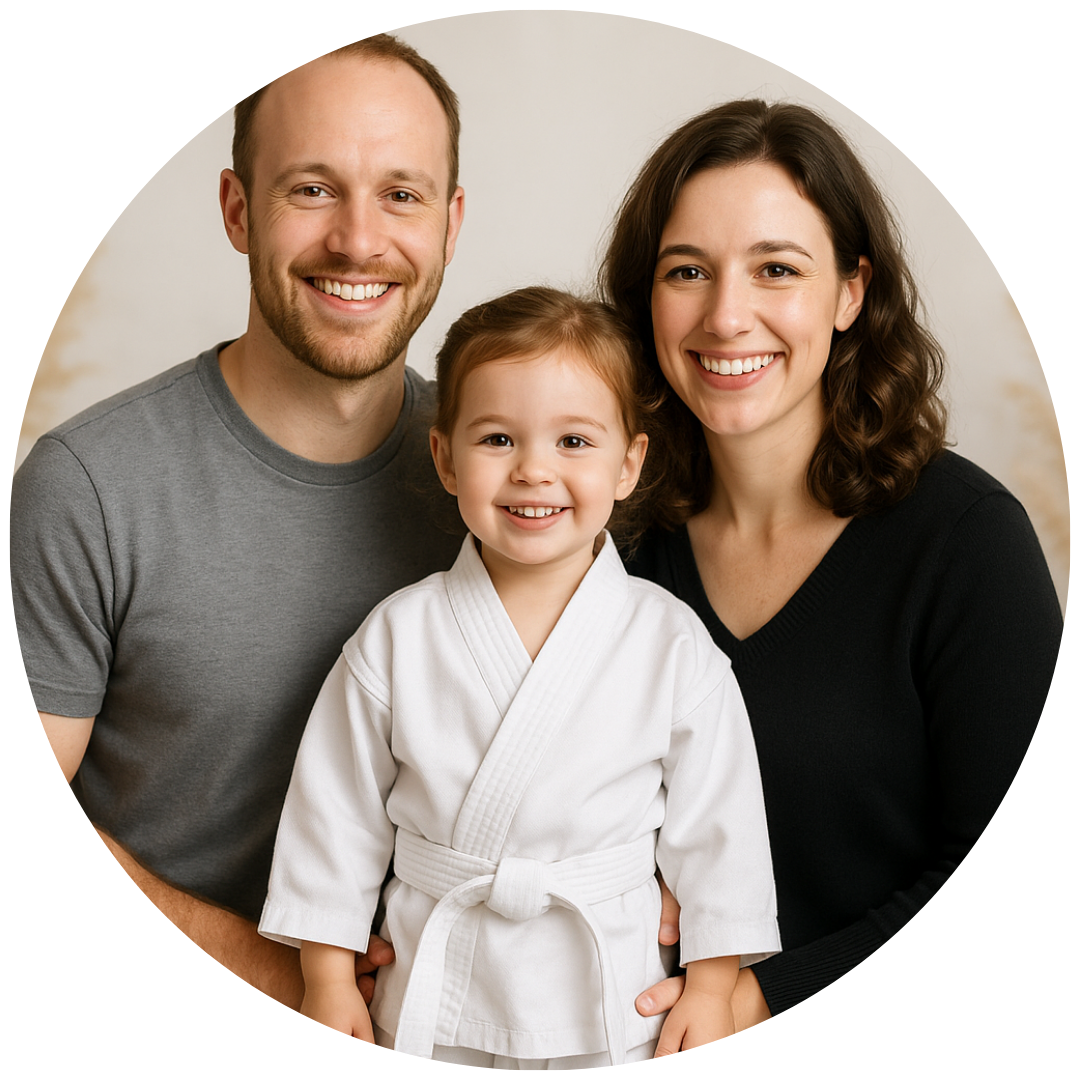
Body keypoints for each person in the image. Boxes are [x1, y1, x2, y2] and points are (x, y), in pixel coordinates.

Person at [12, 36, 466, 1009]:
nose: (358, 240)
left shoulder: (506, 490)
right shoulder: (89, 486)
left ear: (451, 223)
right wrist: (268, 973)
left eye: (401, 194)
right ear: (237, 209)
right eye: (313, 189)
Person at [600, 99, 1063, 1030]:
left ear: (851, 292)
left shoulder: (966, 542)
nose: (727, 316)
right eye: (687, 271)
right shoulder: (609, 541)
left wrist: (762, 997)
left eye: (776, 268)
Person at [257, 286, 781, 1066]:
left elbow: (719, 828)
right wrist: (326, 978)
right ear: (445, 458)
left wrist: (711, 987)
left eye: (574, 441)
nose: (535, 471)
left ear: (628, 463)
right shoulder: (397, 635)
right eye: (498, 439)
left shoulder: (671, 643)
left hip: (611, 999)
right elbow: (334, 817)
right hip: (431, 991)